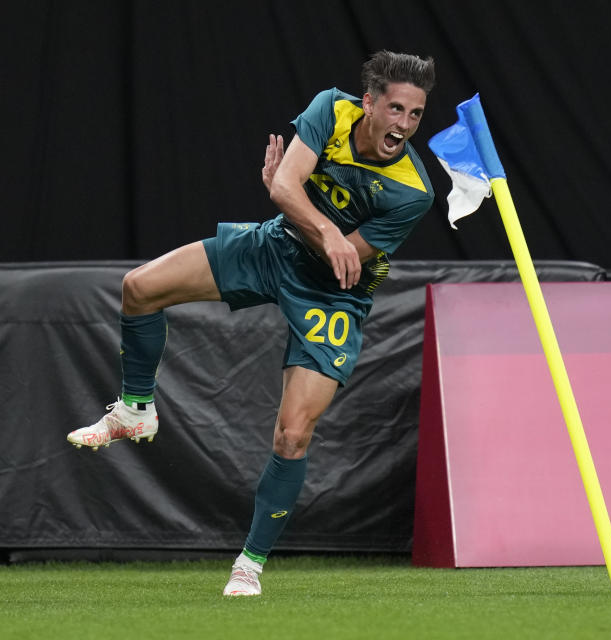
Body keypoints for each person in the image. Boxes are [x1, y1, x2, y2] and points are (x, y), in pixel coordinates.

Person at [66, 50, 436, 596]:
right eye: (397, 109)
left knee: (292, 434)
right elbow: (284, 191)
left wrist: (307, 214)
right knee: (138, 289)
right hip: (273, 246)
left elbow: (341, 259)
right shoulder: (331, 110)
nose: (404, 125)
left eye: (416, 115)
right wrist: (297, 207)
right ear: (369, 104)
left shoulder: (413, 191)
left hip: (333, 296)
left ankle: (250, 564)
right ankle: (135, 411)